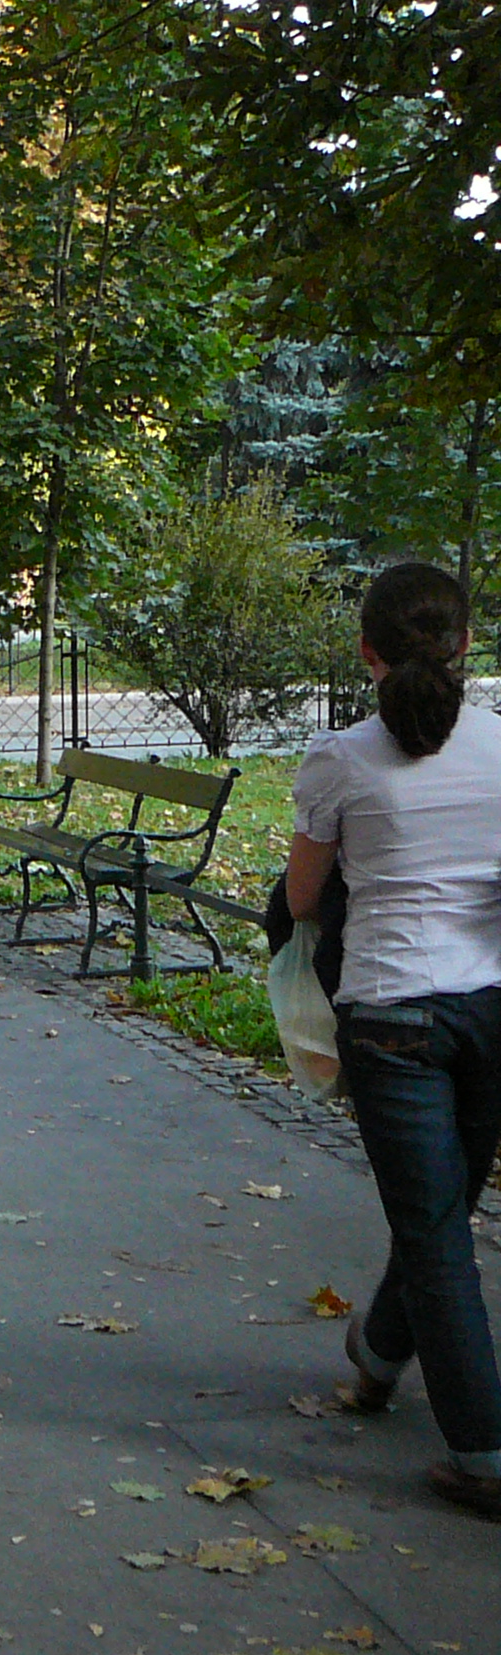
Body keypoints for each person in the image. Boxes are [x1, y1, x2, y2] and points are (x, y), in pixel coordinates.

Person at [286, 562, 501, 1521]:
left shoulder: (340, 758)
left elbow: (301, 899)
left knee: (435, 1233)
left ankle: (483, 1454)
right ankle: (377, 1355)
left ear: (366, 651)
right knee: (443, 1212)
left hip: (390, 1016)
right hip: (490, 1010)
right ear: (464, 643)